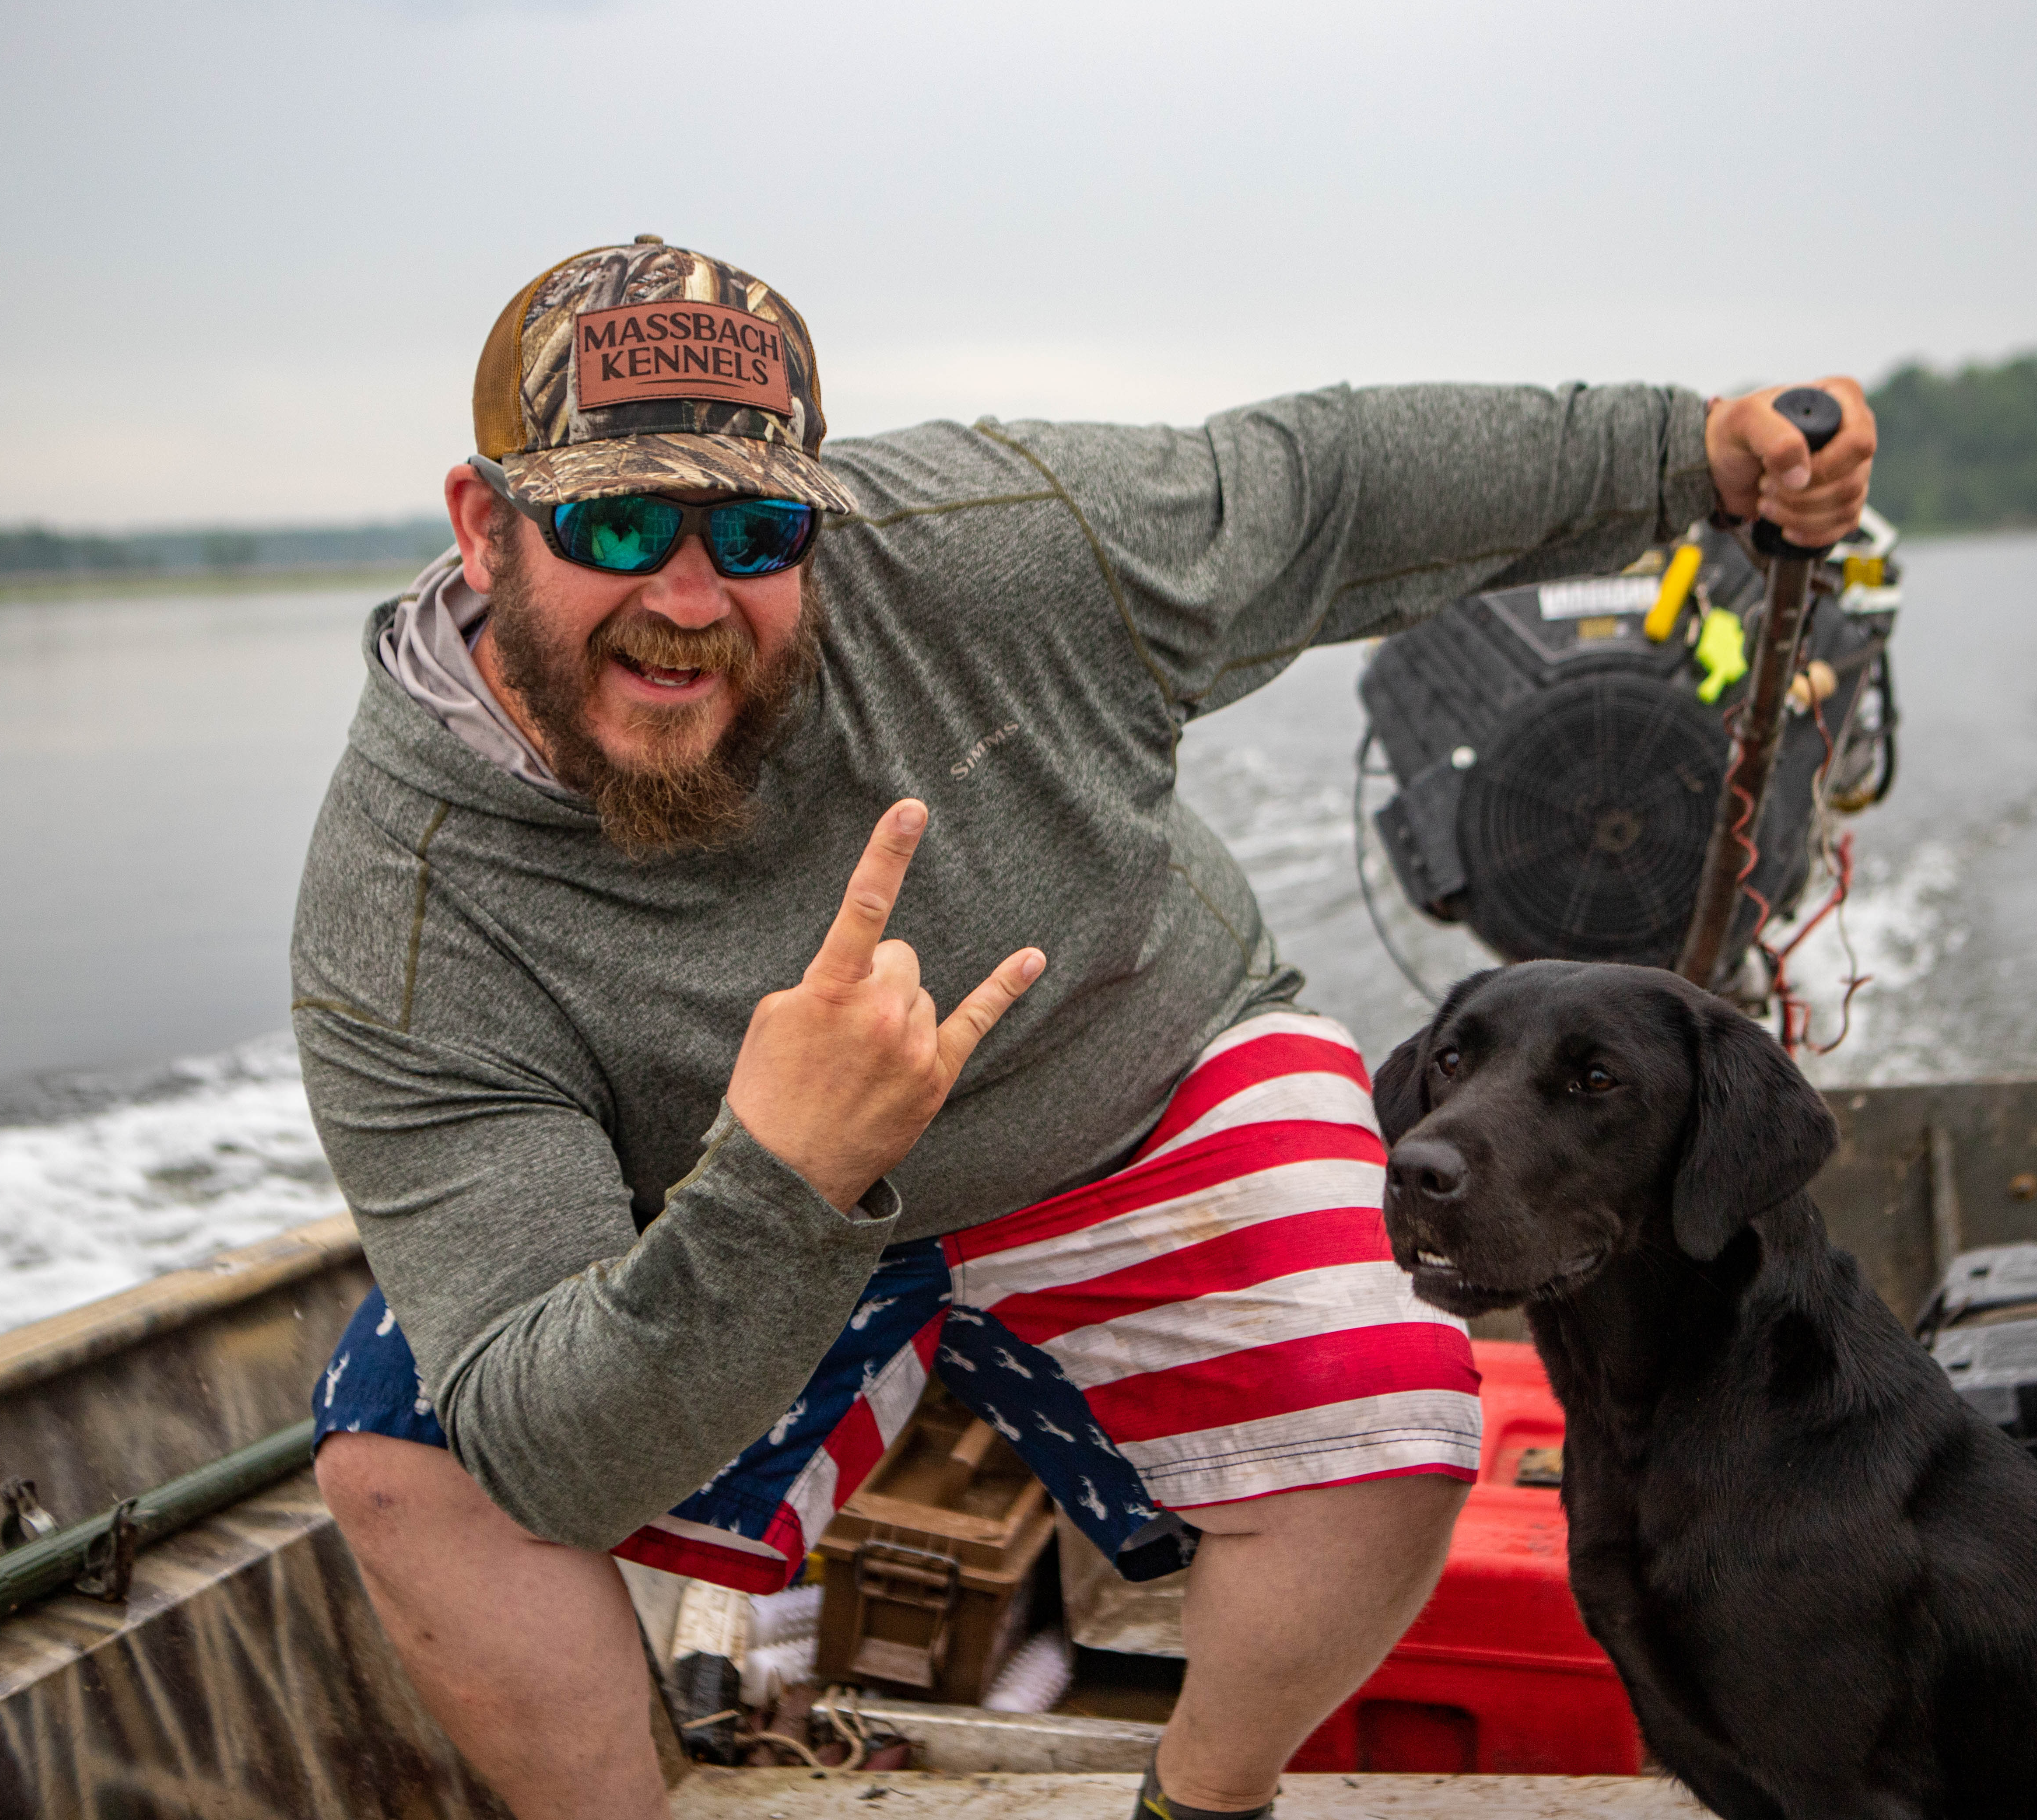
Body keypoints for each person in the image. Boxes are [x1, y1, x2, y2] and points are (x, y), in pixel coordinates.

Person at [296, 236, 1876, 1820]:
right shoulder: (408, 913)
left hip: (1138, 1063)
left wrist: (1691, 451)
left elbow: (1320, 490)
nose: (690, 599)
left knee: (1397, 1409)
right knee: (408, 1458)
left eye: (758, 528)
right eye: (619, 521)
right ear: (485, 527)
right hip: (735, 1200)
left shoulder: (1004, 545)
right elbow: (552, 1456)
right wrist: (785, 1178)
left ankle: (1204, 1795)